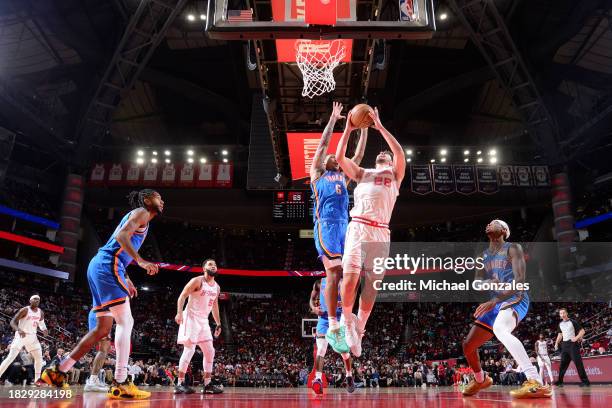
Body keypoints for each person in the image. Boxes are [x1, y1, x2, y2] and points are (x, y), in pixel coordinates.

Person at [41, 189, 162, 399]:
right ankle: (121, 381)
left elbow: (119, 250)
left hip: (101, 266)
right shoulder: (141, 212)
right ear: (147, 199)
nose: (163, 201)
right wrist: (141, 261)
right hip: (107, 266)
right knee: (126, 321)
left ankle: (58, 372)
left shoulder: (140, 217)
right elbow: (121, 236)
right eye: (158, 197)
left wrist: (127, 278)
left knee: (102, 329)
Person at [335, 107, 405, 357]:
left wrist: (380, 126)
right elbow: (340, 157)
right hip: (359, 227)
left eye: (385, 154)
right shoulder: (363, 173)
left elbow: (398, 151)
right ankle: (346, 322)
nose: (384, 154)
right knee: (351, 279)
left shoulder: (395, 175)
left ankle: (360, 330)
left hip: (380, 232)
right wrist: (348, 128)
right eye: (382, 154)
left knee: (371, 286)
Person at [462, 219, 551, 399]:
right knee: (468, 345)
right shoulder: (482, 256)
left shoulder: (513, 248)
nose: (488, 224)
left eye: (493, 222)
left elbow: (520, 281)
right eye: (487, 223)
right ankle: (480, 379)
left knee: (500, 329)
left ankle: (535, 381)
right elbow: (476, 283)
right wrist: (487, 283)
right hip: (496, 303)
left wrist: (494, 300)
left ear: (503, 230)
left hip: (515, 296)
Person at [310, 101, 367, 354]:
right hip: (327, 227)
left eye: (336, 156)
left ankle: (345, 321)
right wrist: (334, 119)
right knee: (333, 273)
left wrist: (363, 128)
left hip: (346, 226)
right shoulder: (317, 173)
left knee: (350, 275)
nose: (334, 156)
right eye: (331, 157)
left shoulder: (343, 176)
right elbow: (323, 146)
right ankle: (333, 324)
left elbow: (358, 157)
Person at [175, 259, 224, 394]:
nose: (213, 266)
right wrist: (179, 313)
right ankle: (179, 383)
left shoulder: (217, 287)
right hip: (191, 317)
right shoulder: (197, 281)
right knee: (189, 349)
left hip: (203, 321)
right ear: (203, 269)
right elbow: (182, 296)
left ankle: (207, 384)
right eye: (210, 264)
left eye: (215, 264)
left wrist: (218, 323)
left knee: (210, 351)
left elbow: (214, 305)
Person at [309, 278, 354, 395]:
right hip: (324, 319)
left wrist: (344, 303)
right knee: (321, 350)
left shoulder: (344, 282)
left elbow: (352, 299)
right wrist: (314, 308)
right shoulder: (319, 283)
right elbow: (312, 298)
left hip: (339, 319)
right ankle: (318, 378)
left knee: (344, 351)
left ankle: (349, 375)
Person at [0, 295, 47, 384]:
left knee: (39, 358)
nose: (37, 300)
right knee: (10, 357)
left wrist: (44, 329)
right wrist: (19, 329)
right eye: (35, 299)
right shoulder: (25, 310)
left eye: (38, 299)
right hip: (21, 336)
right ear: (30, 300)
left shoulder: (40, 312)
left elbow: (41, 324)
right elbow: (12, 322)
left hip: (33, 337)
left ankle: (37, 380)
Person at [554, 308, 590, 387]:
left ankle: (585, 382)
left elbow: (582, 331)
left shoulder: (573, 322)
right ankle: (560, 382)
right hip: (564, 345)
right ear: (560, 315)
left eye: (563, 313)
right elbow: (560, 334)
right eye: (561, 313)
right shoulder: (560, 324)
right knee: (562, 365)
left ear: (566, 313)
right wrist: (556, 343)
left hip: (573, 345)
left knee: (578, 364)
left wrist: (576, 338)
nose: (562, 314)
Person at [83, 307, 113, 392]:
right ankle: (92, 380)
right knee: (103, 348)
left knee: (106, 348)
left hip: (103, 314)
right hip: (101, 314)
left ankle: (94, 379)